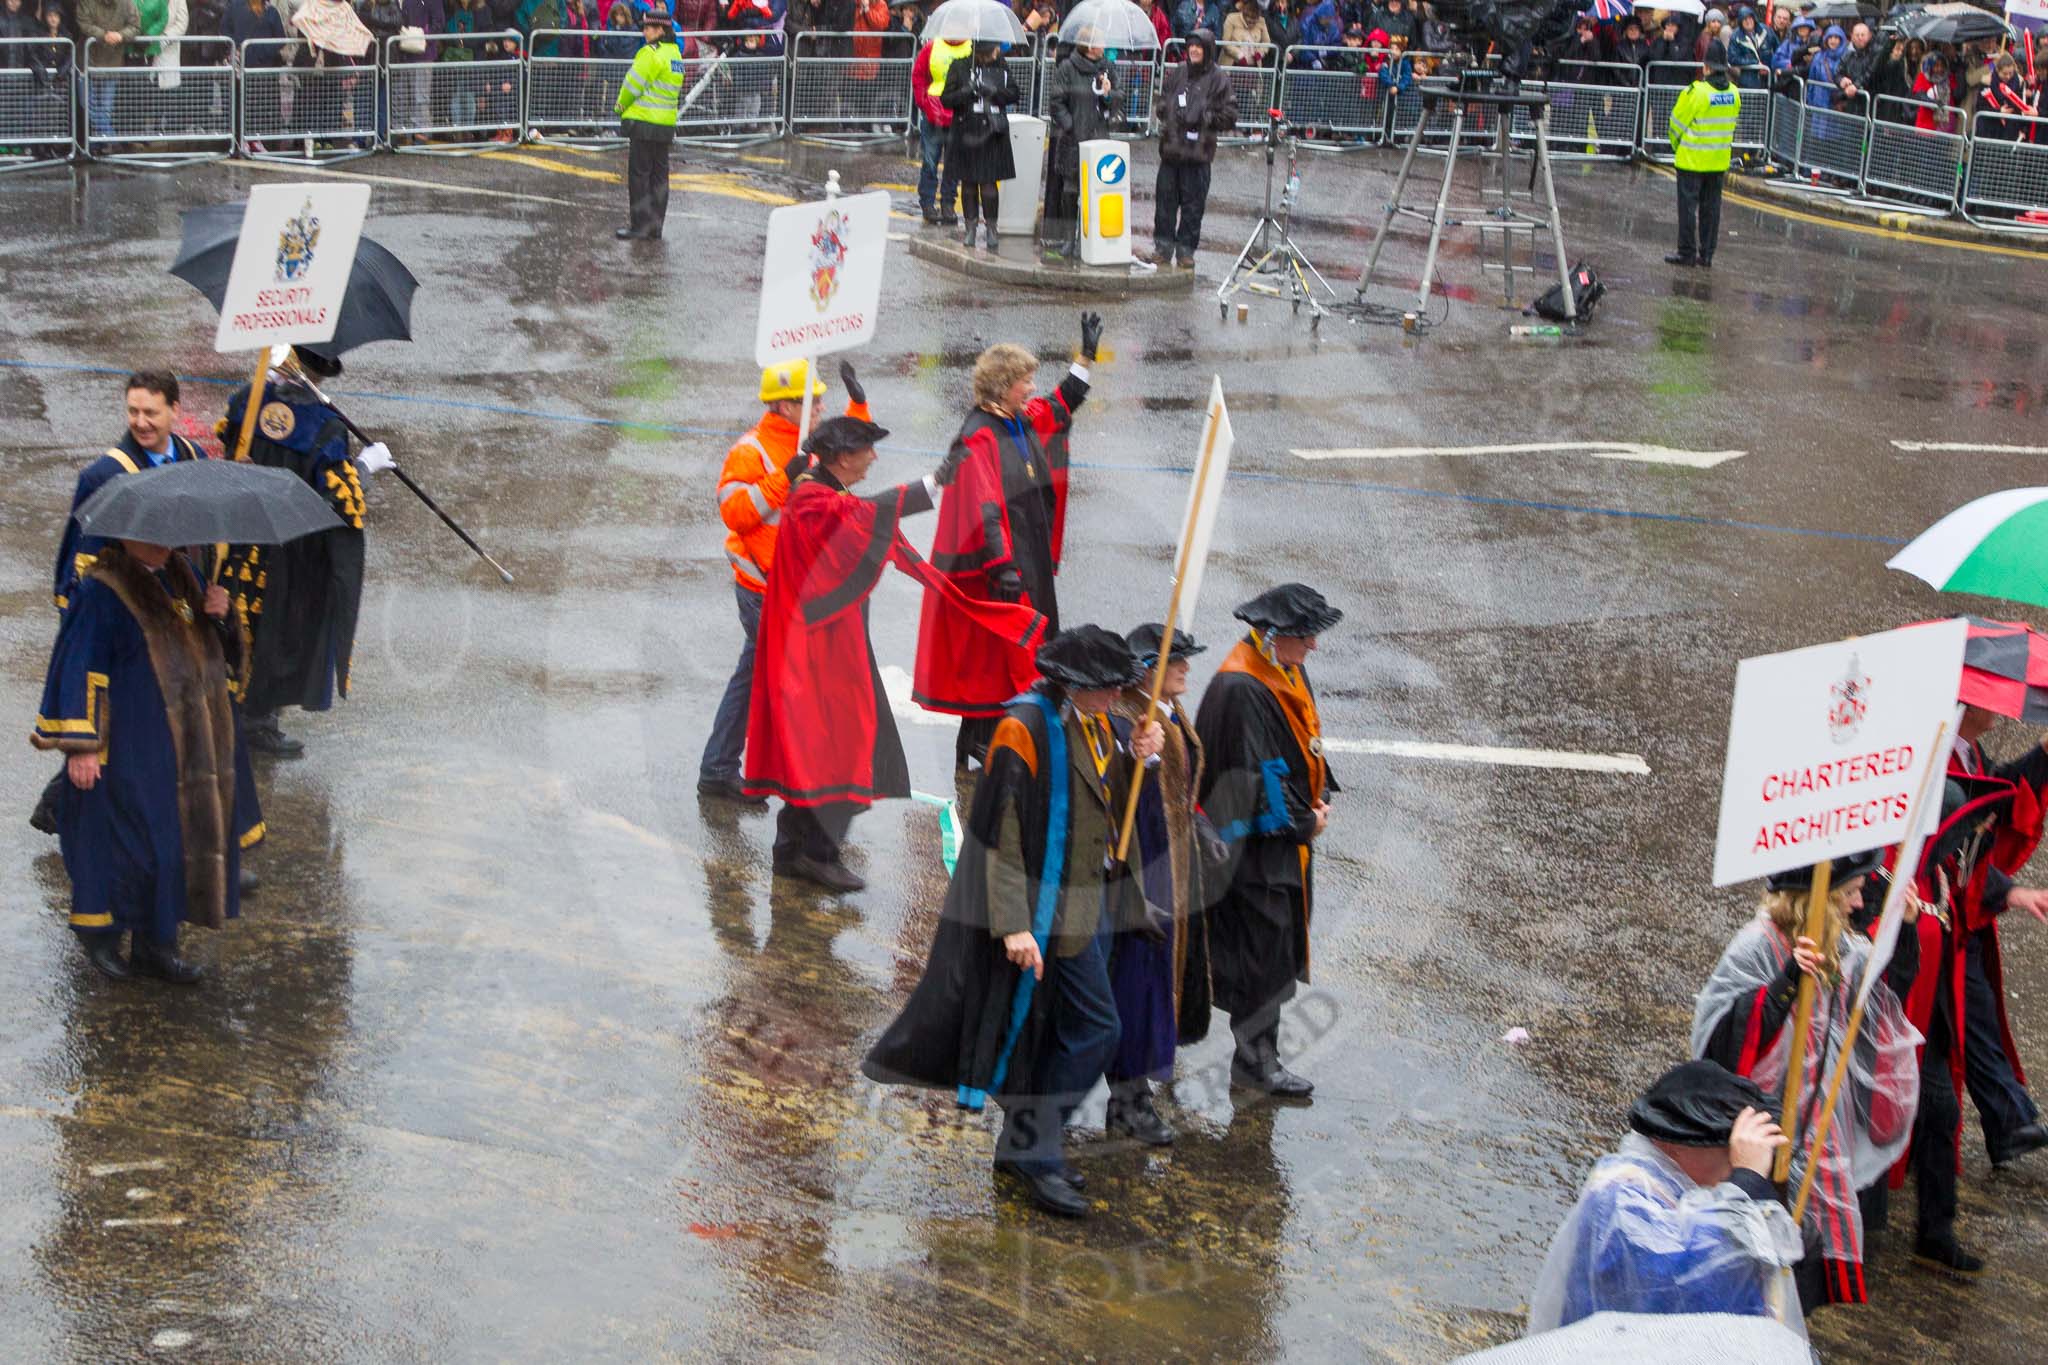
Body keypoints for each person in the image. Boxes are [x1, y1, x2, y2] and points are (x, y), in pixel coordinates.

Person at [863, 626, 1164, 1217]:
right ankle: (1035, 1152)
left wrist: (1139, 758)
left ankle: (1023, 1148)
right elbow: (997, 839)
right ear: (1074, 684)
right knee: (1099, 1029)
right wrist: (1013, 925)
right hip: (1045, 914)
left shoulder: (1099, 723)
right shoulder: (1021, 729)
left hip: (1087, 906)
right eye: (1106, 688)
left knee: (1059, 1031)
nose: (1116, 697)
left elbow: (1108, 801)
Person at [743, 416, 1050, 891]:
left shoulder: (821, 490)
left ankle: (793, 851)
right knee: (835, 746)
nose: (874, 457)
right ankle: (815, 854)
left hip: (824, 643)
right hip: (815, 653)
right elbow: (862, 518)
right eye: (867, 449)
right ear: (843, 457)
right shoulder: (811, 501)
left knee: (822, 745)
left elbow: (859, 515)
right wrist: (933, 483)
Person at [1691, 852, 1922, 1312]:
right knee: (1753, 1268)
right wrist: (1786, 984)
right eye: (1851, 892)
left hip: (1817, 1134)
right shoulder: (1756, 945)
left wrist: (1906, 928)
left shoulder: (1836, 945)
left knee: (1805, 1269)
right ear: (1820, 899)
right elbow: (1721, 1043)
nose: (1859, 903)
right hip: (1763, 1135)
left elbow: (1880, 991)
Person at [32, 537, 247, 984]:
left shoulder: (185, 574)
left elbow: (217, 652)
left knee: (172, 847)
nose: (164, 544)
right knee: (130, 848)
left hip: (183, 742)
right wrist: (82, 745)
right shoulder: (101, 590)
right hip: (128, 741)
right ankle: (102, 936)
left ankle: (156, 946)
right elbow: (79, 663)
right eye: (154, 537)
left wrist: (223, 617)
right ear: (127, 537)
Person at [915, 315, 1100, 770]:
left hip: (1023, 555)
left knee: (1009, 655)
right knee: (998, 658)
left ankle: (983, 740)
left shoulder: (1015, 422)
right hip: (998, 566)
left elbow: (1061, 405)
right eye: (1024, 381)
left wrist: (1086, 358)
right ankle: (986, 741)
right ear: (1001, 387)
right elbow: (984, 507)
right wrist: (1002, 566)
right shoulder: (980, 435)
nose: (1032, 389)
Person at [699, 359, 873, 804]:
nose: (819, 405)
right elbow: (736, 514)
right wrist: (784, 477)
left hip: (793, 588)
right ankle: (807, 780)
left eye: (820, 398)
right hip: (763, 590)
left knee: (754, 674)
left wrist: (858, 406)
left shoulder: (808, 444)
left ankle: (719, 769)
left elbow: (846, 450)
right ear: (782, 405)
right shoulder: (751, 450)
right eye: (809, 400)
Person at [1525, 1060, 1804, 1334]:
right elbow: (1688, 1272)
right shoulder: (1620, 1199)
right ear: (1675, 1146)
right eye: (1730, 1151)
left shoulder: (1669, 1187)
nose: (1735, 1161)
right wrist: (1745, 1181)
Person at [1194, 583, 1340, 1099]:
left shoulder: (1283, 667)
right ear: (1275, 634)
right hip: (1252, 849)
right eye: (1306, 636)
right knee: (1260, 952)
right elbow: (1252, 777)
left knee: (1274, 947)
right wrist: (1304, 822)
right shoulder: (1241, 689)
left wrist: (1318, 796)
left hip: (1281, 844)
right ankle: (1254, 1061)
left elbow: (1299, 741)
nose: (1314, 646)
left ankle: (1262, 1054)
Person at [217, 346, 393, 757]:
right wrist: (366, 467)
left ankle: (236, 710)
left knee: (235, 623)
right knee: (277, 634)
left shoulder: (247, 400)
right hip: (288, 549)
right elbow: (336, 501)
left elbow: (229, 451)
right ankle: (257, 723)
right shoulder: (325, 428)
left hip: (240, 534)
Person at [1881, 776, 2012, 1277]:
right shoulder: (1888, 871)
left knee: (1941, 1117)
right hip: (1892, 1027)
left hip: (1931, 1025)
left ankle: (1936, 1232)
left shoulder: (1937, 869)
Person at [1104, 623, 1216, 1147]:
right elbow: (1117, 793)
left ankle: (1136, 1091)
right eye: (1177, 661)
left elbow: (1180, 785)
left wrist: (1199, 825)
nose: (1187, 668)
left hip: (1171, 869)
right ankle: (1128, 1099)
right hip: (1141, 874)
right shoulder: (1126, 719)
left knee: (1157, 982)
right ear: (1148, 669)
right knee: (1137, 984)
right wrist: (1137, 753)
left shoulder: (1169, 713)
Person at [1946, 704, 2048, 1167]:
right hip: (1936, 916)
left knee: (1977, 1015)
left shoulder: (1967, 753)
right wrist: (2008, 891)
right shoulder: (1939, 759)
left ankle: (2009, 1120)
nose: (2000, 710)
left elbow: (1997, 793)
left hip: (1960, 916)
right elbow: (1950, 846)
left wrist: (2043, 755)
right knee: (1964, 1021)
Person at [1148, 27, 1235, 269]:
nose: (1194, 50)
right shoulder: (1179, 72)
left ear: (1207, 50)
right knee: (1165, 204)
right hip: (1172, 151)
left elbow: (1230, 114)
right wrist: (1166, 110)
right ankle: (1162, 249)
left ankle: (1186, 251)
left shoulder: (1219, 79)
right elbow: (1164, 97)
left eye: (1199, 46)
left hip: (1198, 155)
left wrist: (1205, 116)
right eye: (1191, 46)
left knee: (1193, 207)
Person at [1042, 27, 1116, 259]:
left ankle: (1090, 239)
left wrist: (1108, 95)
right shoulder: (1067, 67)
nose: (1104, 45)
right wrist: (1070, 125)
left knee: (1096, 193)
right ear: (1090, 45)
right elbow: (1056, 100)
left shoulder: (1107, 68)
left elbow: (1117, 100)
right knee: (1070, 190)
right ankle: (1067, 238)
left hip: (1098, 138)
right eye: (1101, 41)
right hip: (1073, 139)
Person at [1665, 41, 1738, 271]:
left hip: (1692, 161)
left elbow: (1676, 124)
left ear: (1706, 67)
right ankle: (1706, 255)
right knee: (1711, 210)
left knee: (1688, 210)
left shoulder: (1696, 92)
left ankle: (1686, 253)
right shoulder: (1735, 94)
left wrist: (1676, 145)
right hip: (1717, 162)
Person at [942, 39, 1020, 252]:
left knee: (988, 184)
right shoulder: (959, 65)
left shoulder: (1000, 65)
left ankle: (992, 229)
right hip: (967, 130)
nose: (997, 54)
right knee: (968, 183)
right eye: (993, 51)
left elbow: (1014, 93)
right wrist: (967, 91)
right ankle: (970, 228)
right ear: (983, 52)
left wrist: (993, 91)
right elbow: (946, 99)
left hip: (991, 131)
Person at [615, 3, 683, 240]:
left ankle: (639, 226)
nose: (645, 32)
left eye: (649, 28)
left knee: (639, 176)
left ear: (660, 31)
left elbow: (632, 85)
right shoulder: (675, 55)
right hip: (665, 124)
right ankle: (655, 226)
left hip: (644, 123)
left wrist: (620, 106)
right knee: (659, 177)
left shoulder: (649, 54)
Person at [911, 23, 966, 225]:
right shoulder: (931, 47)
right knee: (930, 161)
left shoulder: (971, 48)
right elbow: (919, 75)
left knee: (952, 163)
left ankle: (948, 204)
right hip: (934, 114)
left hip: (957, 114)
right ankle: (927, 203)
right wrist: (923, 102)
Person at [77, 0, 139, 138]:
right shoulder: (86, 2)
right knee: (87, 105)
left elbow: (135, 26)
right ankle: (111, 138)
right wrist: (104, 35)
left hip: (112, 62)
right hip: (87, 62)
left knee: (106, 108)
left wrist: (121, 35)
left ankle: (101, 143)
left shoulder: (127, 3)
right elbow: (83, 23)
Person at [1980, 51, 2041, 142]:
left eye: (2010, 73)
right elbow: (1980, 107)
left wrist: (2023, 129)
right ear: (1997, 70)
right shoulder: (1987, 82)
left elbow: (2022, 107)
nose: (2008, 76)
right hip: (1990, 130)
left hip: (2011, 131)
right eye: (2004, 74)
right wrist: (1999, 111)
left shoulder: (2020, 83)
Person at [1725, 6, 1770, 90]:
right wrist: (1755, 63)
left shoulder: (1764, 31)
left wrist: (1769, 65)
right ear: (1740, 21)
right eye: (1744, 19)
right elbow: (1732, 58)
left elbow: (1775, 48)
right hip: (1747, 81)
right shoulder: (1736, 36)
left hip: (1766, 80)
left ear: (1754, 18)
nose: (1748, 21)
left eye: (1750, 18)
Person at [1219, 0, 1268, 67]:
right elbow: (1225, 42)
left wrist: (1260, 53)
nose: (1252, 23)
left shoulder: (1261, 21)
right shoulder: (1231, 18)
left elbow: (1267, 42)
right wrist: (1239, 55)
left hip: (1253, 66)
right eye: (1249, 21)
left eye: (1254, 21)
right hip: (1232, 65)